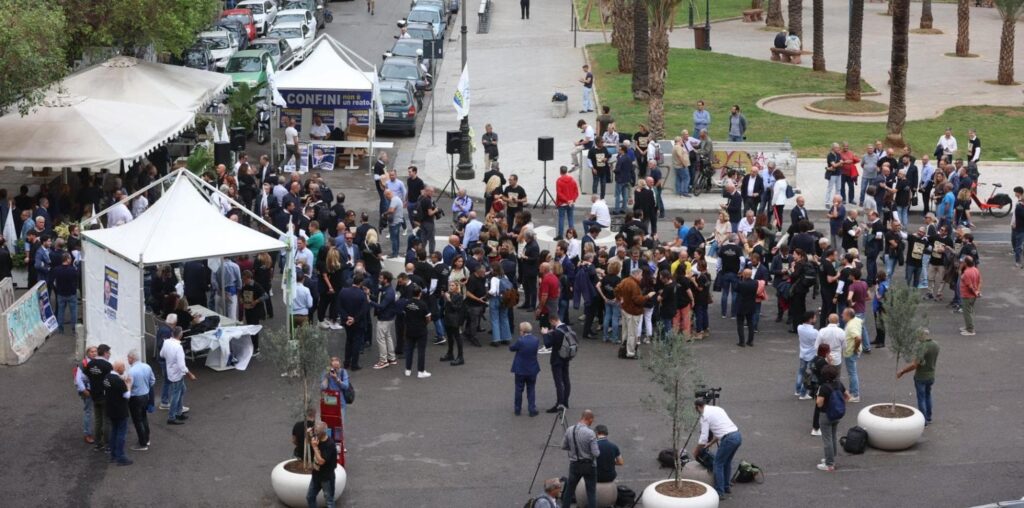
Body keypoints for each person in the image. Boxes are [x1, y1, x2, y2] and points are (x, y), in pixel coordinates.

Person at [693, 399, 741, 500]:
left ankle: (719, 492)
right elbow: (723, 430)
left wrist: (696, 451)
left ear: (698, 407)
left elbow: (703, 438)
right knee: (726, 462)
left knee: (717, 464)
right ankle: (726, 487)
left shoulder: (704, 416)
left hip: (728, 439)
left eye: (696, 409)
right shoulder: (717, 409)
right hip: (737, 436)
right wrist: (710, 444)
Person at [897, 329, 940, 425]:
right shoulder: (936, 345)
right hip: (931, 375)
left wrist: (902, 371)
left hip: (921, 377)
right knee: (928, 395)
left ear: (921, 336)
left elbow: (915, 365)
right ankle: (928, 417)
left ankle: (923, 421)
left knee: (921, 398)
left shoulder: (922, 347)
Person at [562, 410, 599, 508]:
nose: (592, 422)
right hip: (589, 466)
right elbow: (596, 453)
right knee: (591, 492)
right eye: (592, 420)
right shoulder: (590, 433)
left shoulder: (569, 430)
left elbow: (563, 446)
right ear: (589, 419)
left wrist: (574, 449)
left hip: (574, 465)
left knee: (569, 490)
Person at [815, 365, 849, 472]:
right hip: (837, 414)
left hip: (826, 415)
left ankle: (829, 464)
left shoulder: (824, 387)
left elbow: (819, 404)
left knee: (827, 440)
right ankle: (831, 458)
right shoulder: (839, 384)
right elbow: (847, 396)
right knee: (833, 436)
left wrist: (817, 397)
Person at [161, 326, 196, 425]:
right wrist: (190, 374)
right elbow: (182, 366)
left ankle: (179, 412)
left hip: (171, 372)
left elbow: (161, 354)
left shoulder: (166, 342)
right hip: (177, 374)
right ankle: (172, 417)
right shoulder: (178, 347)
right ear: (180, 335)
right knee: (176, 394)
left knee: (181, 390)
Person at [615, 268, 650, 359]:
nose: (642, 277)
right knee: (632, 333)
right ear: (636, 275)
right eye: (641, 275)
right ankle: (630, 353)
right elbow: (637, 300)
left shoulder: (625, 280)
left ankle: (623, 351)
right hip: (633, 312)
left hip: (625, 309)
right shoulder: (634, 285)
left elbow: (616, 289)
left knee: (625, 332)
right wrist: (647, 296)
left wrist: (620, 299)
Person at [105, 360, 134, 466]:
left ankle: (113, 455)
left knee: (114, 432)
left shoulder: (107, 377)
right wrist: (128, 385)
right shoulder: (118, 381)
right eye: (123, 367)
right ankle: (120, 456)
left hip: (110, 409)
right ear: (118, 369)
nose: (124, 369)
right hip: (120, 410)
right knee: (121, 433)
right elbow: (127, 395)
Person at [85, 344, 114, 451]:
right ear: (105, 353)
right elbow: (111, 381)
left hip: (94, 395)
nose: (110, 355)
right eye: (109, 353)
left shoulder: (90, 363)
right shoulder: (107, 365)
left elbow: (88, 376)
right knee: (107, 420)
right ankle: (107, 444)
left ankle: (98, 443)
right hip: (105, 396)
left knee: (98, 420)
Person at [509, 322, 541, 417]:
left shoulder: (520, 341)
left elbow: (512, 348)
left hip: (520, 369)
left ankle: (517, 409)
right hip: (532, 369)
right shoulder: (536, 340)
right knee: (531, 389)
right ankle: (532, 409)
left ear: (523, 331)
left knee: (519, 389)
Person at [543, 314, 573, 412]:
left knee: (558, 382)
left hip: (557, 359)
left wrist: (545, 334)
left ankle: (559, 404)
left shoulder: (557, 332)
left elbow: (547, 344)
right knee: (566, 380)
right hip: (566, 357)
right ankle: (565, 402)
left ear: (553, 320)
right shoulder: (567, 328)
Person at [126, 350, 155, 451]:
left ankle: (142, 443)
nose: (127, 360)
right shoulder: (147, 366)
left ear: (132, 358)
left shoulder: (131, 371)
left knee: (137, 421)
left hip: (135, 398)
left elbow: (129, 386)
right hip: (145, 396)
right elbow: (152, 380)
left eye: (128, 358)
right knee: (144, 418)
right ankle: (146, 439)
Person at [402, 284, 432, 378]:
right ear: (420, 294)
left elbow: (404, 314)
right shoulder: (423, 304)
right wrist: (424, 324)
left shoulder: (407, 303)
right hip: (420, 329)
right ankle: (421, 371)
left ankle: (408, 370)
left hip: (409, 329)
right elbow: (428, 318)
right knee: (421, 351)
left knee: (409, 350)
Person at [307, 422, 339, 508]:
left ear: (323, 433)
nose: (315, 434)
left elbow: (321, 461)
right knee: (310, 497)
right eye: (315, 431)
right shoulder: (317, 438)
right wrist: (309, 435)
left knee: (329, 502)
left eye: (317, 432)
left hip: (326, 478)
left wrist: (315, 447)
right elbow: (308, 442)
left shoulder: (330, 445)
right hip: (316, 475)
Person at [841, 308, 863, 403]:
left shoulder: (851, 326)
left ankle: (855, 394)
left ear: (848, 316)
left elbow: (858, 338)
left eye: (843, 314)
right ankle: (852, 391)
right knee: (852, 373)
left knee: (852, 373)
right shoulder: (857, 320)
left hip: (850, 352)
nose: (842, 315)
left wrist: (855, 348)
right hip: (852, 351)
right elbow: (862, 321)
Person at [795, 311, 818, 399]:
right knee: (808, 375)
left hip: (802, 353)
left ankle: (797, 390)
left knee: (801, 372)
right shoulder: (815, 332)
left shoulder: (799, 327)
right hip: (811, 355)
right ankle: (803, 394)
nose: (816, 319)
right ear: (810, 319)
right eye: (815, 318)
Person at [734, 268, 758, 347]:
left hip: (741, 305)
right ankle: (750, 341)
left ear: (744, 275)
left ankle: (742, 341)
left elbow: (736, 289)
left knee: (740, 323)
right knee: (750, 323)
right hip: (751, 305)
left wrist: (740, 279)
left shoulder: (741, 283)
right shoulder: (755, 283)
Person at [958, 255, 981, 336]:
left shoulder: (967, 272)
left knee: (967, 313)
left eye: (963, 261)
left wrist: (975, 292)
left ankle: (970, 330)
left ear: (966, 263)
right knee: (969, 311)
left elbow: (969, 286)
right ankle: (968, 326)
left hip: (967, 296)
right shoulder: (975, 270)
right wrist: (978, 291)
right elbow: (979, 281)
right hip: (972, 295)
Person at [555, 165, 579, 240]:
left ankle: (560, 235)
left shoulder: (559, 181)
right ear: (566, 171)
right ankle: (571, 235)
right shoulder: (572, 180)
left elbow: (559, 193)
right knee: (570, 218)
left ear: (560, 172)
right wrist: (572, 200)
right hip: (571, 203)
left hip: (562, 203)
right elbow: (576, 192)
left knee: (561, 219)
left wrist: (566, 200)